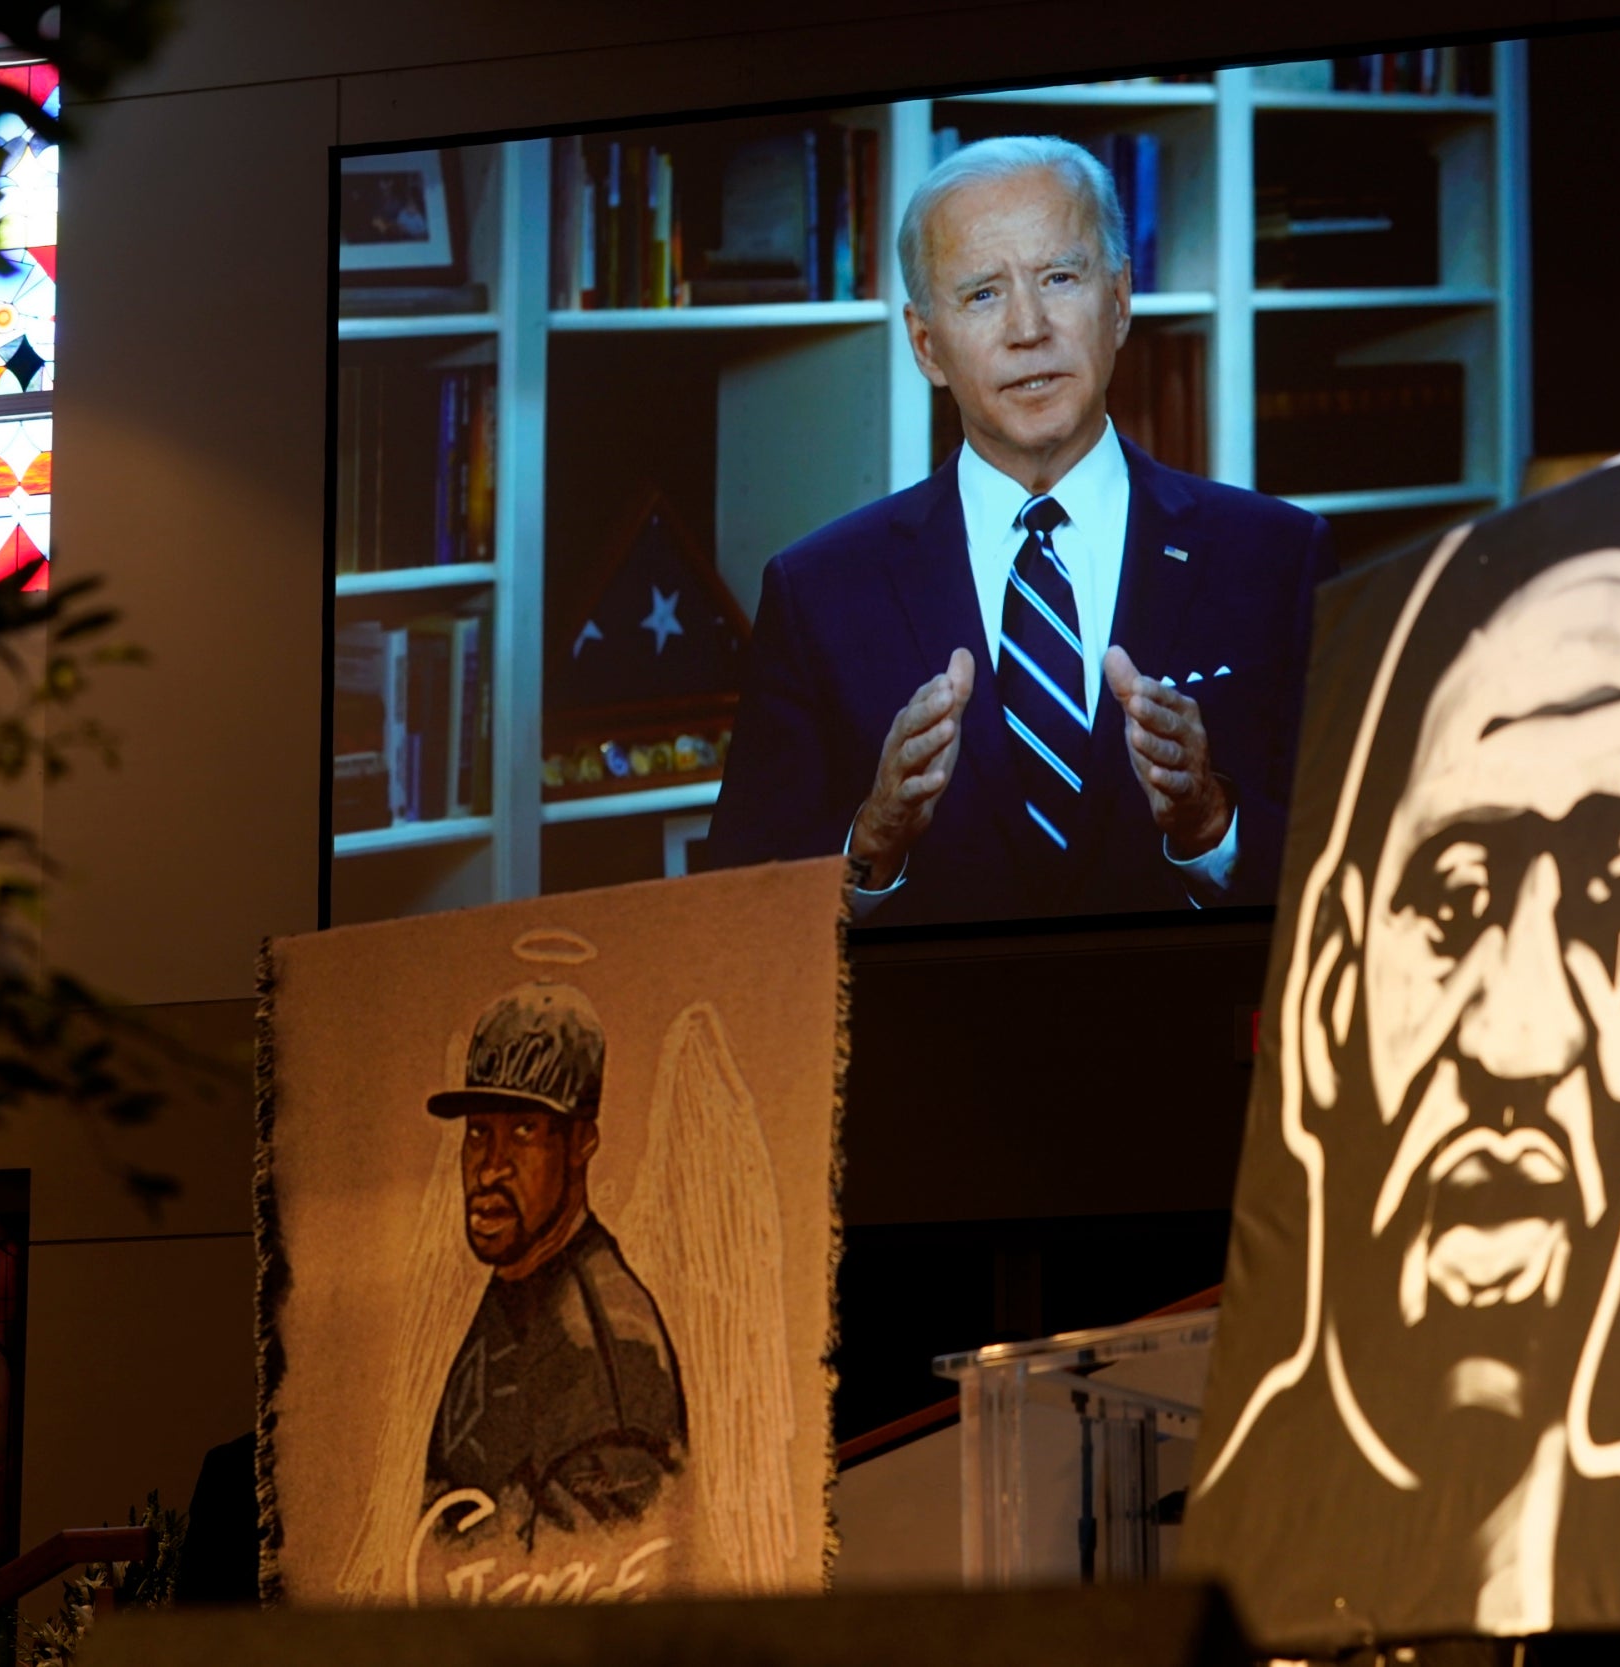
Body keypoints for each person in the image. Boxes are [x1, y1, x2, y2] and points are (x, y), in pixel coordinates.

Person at [1191, 531, 1620, 1637]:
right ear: (1329, 1000)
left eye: (1615, 896)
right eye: (1458, 897)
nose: (1524, 1038)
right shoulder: (1215, 1594)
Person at [702, 136, 1335, 923]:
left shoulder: (1275, 558)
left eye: (1059, 278)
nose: (1028, 328)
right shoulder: (816, 592)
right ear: (927, 345)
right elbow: (736, 916)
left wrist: (1210, 822)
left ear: (1120, 300)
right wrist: (875, 837)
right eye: (982, 295)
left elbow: (1355, 874)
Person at [422, 982, 687, 1547]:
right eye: (478, 1134)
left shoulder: (608, 1344)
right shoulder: (515, 1291)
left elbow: (592, 1592)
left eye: (523, 1131)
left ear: (582, 1142)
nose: (490, 1169)